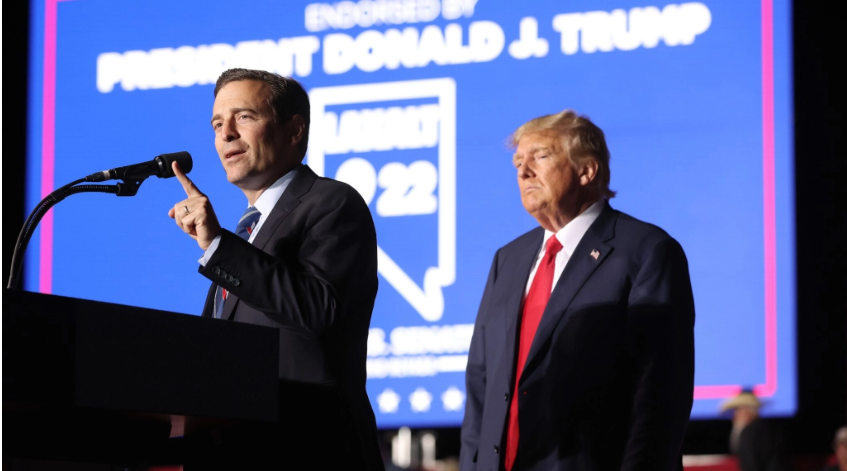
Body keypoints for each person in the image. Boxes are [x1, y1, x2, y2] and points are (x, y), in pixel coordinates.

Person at [168, 68, 383, 470]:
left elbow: (318, 310)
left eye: (244, 117)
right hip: (235, 448)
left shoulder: (332, 203)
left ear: (294, 130)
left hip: (307, 449)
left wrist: (217, 246)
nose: (226, 134)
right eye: (217, 124)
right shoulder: (245, 232)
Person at [460, 110, 695, 471]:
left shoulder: (647, 251)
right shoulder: (506, 261)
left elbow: (659, 394)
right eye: (518, 162)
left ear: (587, 171)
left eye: (540, 156)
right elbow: (481, 386)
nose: (523, 172)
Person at [720, 390, 793, 471]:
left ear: (746, 411)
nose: (734, 416)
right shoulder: (770, 428)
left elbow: (750, 465)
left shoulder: (748, 432)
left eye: (737, 410)